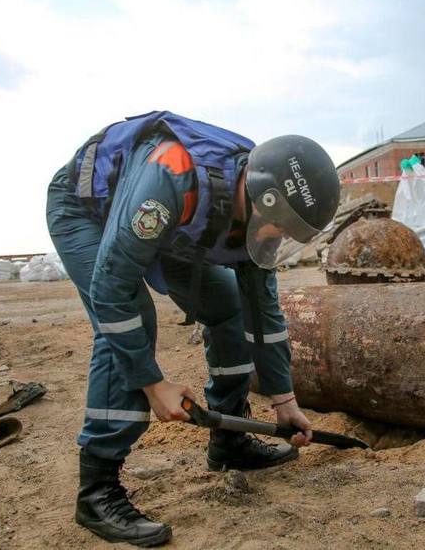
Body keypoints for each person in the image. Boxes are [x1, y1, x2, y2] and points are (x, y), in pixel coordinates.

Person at [46, 111, 340, 546]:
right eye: (281, 226)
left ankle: (230, 440)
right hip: (86, 210)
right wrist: (152, 383)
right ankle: (97, 490)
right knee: (129, 324)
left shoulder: (258, 211)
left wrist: (285, 398)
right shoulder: (173, 175)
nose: (278, 236)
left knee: (230, 306)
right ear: (263, 198)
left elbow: (263, 311)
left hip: (171, 227)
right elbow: (112, 287)